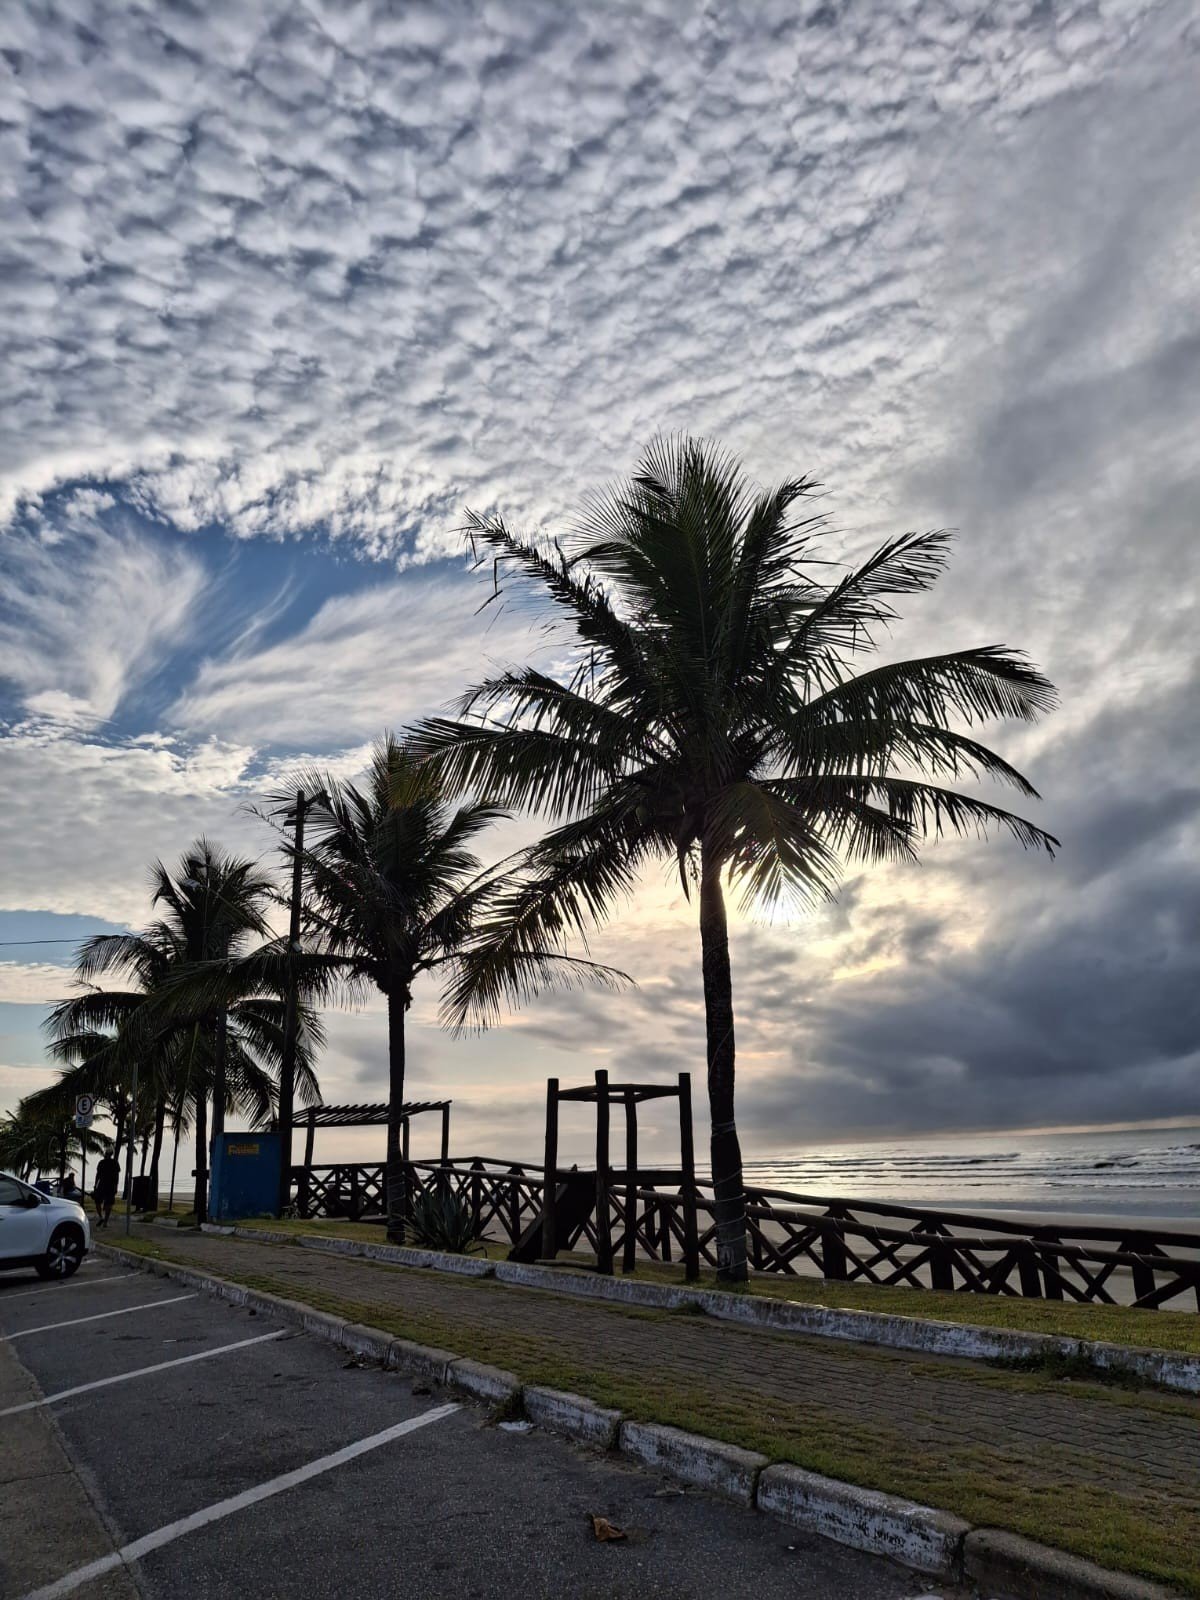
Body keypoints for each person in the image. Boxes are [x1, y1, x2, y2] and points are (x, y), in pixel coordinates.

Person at [93, 1147, 120, 1230]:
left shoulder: (102, 1162)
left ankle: (102, 1218)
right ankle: (104, 1221)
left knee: (99, 1202)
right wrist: (116, 1186)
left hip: (103, 1185)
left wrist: (95, 1185)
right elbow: (116, 1176)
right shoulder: (114, 1163)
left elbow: (98, 1175)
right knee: (108, 1204)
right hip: (110, 1185)